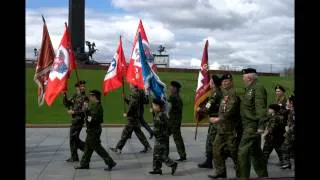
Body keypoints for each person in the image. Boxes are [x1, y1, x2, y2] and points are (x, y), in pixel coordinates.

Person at [208, 72, 242, 179]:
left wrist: (218, 119)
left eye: (227, 81)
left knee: (234, 153)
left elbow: (230, 111)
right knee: (216, 149)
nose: (224, 83)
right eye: (223, 81)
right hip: (222, 129)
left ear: (231, 82)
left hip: (232, 130)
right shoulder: (224, 94)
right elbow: (222, 110)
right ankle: (221, 171)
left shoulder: (233, 94)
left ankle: (241, 174)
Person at [237, 68, 268, 178]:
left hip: (252, 125)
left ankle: (242, 177)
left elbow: (261, 108)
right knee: (255, 151)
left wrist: (261, 125)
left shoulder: (257, 88)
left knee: (242, 151)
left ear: (249, 77)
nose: (243, 80)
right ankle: (263, 175)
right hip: (248, 124)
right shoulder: (249, 88)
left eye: (243, 77)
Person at [75, 90, 117, 171]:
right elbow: (90, 115)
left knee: (98, 148)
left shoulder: (97, 107)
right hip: (91, 130)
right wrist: (86, 111)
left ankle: (110, 162)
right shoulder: (94, 105)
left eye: (91, 96)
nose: (90, 98)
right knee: (88, 148)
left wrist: (86, 114)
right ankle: (84, 164)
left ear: (95, 97)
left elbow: (94, 119)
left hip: (94, 130)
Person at [110, 84, 152, 153]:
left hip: (132, 118)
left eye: (130, 84)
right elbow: (131, 103)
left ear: (133, 85)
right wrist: (126, 99)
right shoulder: (137, 93)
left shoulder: (135, 94)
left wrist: (128, 113)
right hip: (135, 117)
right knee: (139, 133)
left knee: (125, 133)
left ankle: (118, 148)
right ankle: (147, 146)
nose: (129, 85)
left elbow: (133, 105)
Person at [197, 75, 223, 168]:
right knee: (214, 142)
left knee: (210, 142)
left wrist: (199, 109)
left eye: (211, 82)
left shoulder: (216, 94)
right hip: (216, 120)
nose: (209, 84)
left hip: (215, 121)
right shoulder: (217, 93)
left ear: (214, 84)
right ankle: (209, 161)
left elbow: (208, 108)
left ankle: (209, 162)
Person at [149, 98, 178, 175]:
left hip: (160, 138)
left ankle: (172, 164)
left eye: (154, 106)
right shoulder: (162, 114)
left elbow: (156, 129)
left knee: (160, 155)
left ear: (158, 107)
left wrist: (152, 132)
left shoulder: (159, 116)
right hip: (164, 137)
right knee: (156, 154)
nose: (152, 107)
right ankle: (156, 169)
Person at [63, 80, 87, 162]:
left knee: (73, 138)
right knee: (74, 138)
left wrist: (74, 112)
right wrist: (65, 95)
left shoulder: (85, 98)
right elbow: (67, 104)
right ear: (77, 88)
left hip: (79, 120)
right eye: (81, 86)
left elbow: (85, 110)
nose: (83, 87)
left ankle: (83, 150)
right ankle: (84, 149)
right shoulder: (74, 96)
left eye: (84, 86)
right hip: (74, 120)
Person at [167, 81, 187, 161]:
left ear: (175, 88)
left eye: (171, 87)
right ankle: (182, 154)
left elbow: (167, 107)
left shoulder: (173, 97)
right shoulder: (176, 96)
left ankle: (164, 154)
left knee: (176, 138)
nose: (170, 88)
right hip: (175, 121)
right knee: (177, 138)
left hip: (173, 122)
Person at [281, 95, 295, 169]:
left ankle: (287, 163)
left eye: (287, 101)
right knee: (287, 147)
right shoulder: (291, 110)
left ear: (291, 102)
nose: (286, 103)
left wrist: (288, 130)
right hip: (291, 134)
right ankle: (288, 163)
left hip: (292, 134)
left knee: (285, 146)